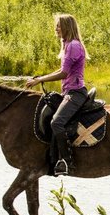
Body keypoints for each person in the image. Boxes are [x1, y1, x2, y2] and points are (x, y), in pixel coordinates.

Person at [26, 13, 89, 176]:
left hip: (76, 93)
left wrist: (38, 81)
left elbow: (63, 73)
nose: (56, 28)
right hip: (69, 92)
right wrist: (41, 78)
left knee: (57, 123)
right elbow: (62, 71)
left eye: (59, 25)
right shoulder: (68, 44)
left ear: (67, 27)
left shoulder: (73, 45)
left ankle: (66, 161)